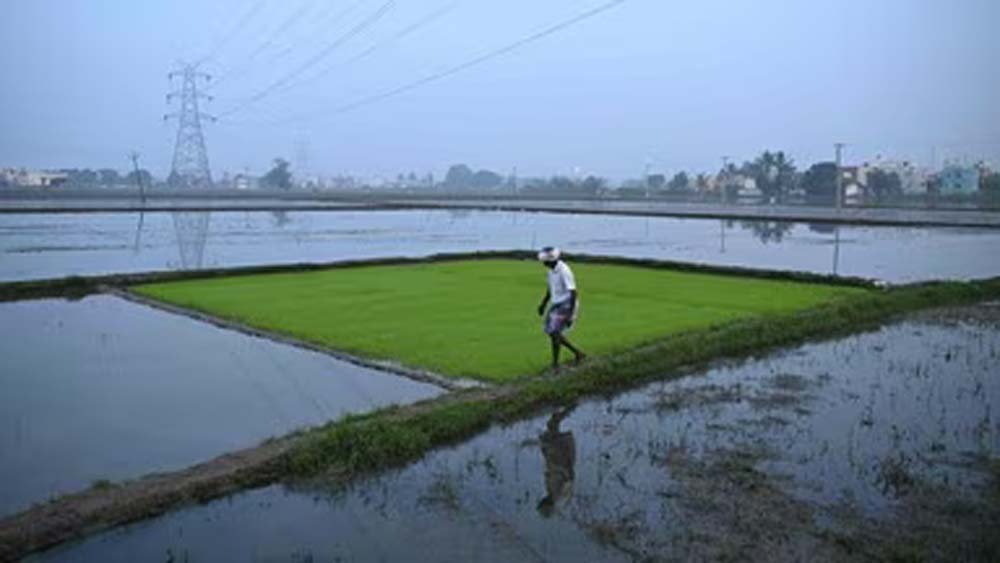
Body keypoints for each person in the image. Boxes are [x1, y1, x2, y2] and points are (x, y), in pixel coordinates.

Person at [536, 247, 585, 371]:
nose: (544, 263)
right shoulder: (551, 271)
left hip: (566, 303)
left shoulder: (564, 271)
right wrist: (543, 304)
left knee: (554, 332)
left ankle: (556, 364)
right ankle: (576, 354)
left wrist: (570, 314)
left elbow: (573, 292)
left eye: (545, 261)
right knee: (552, 333)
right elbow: (550, 289)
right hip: (556, 303)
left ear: (552, 260)